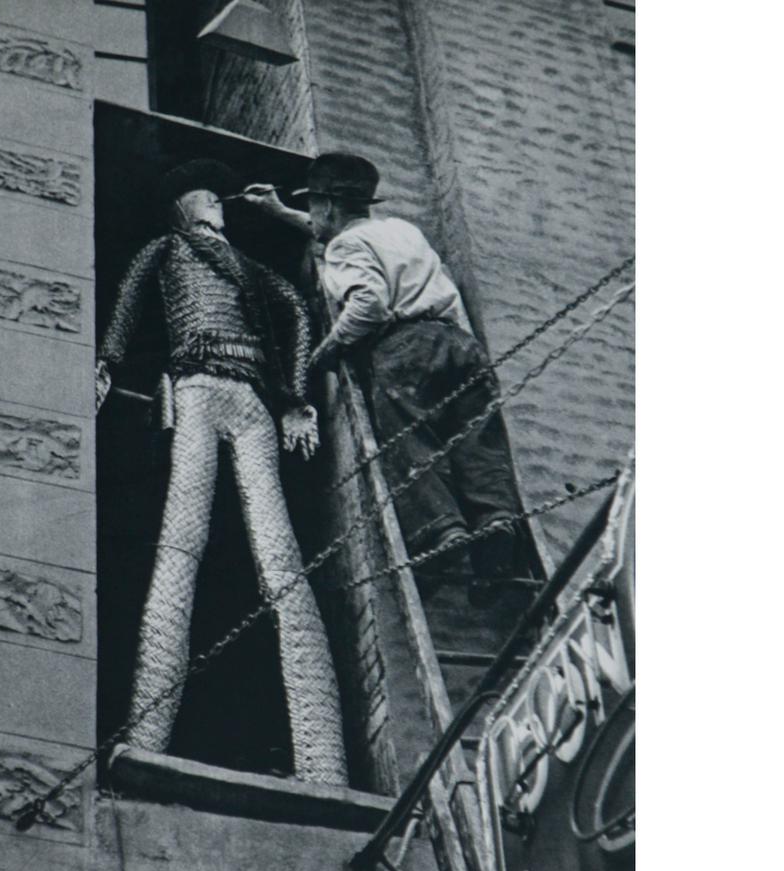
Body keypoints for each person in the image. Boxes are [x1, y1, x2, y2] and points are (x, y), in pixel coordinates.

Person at [95, 158, 348, 786]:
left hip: (252, 400)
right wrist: (107, 361)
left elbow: (296, 309)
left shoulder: (252, 272)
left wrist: (293, 397)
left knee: (281, 556)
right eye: (207, 199)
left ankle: (323, 762)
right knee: (181, 545)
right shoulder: (166, 249)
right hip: (197, 387)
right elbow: (129, 299)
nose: (217, 206)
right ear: (182, 207)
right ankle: (145, 740)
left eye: (218, 199)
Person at [242, 153, 530, 587]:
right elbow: (337, 234)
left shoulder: (343, 247)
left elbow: (369, 304)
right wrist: (280, 211)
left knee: (408, 440)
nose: (315, 219)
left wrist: (328, 350)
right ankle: (497, 524)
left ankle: (444, 531)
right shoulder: (401, 230)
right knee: (477, 440)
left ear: (329, 207)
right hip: (459, 344)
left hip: (404, 350)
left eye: (316, 207)